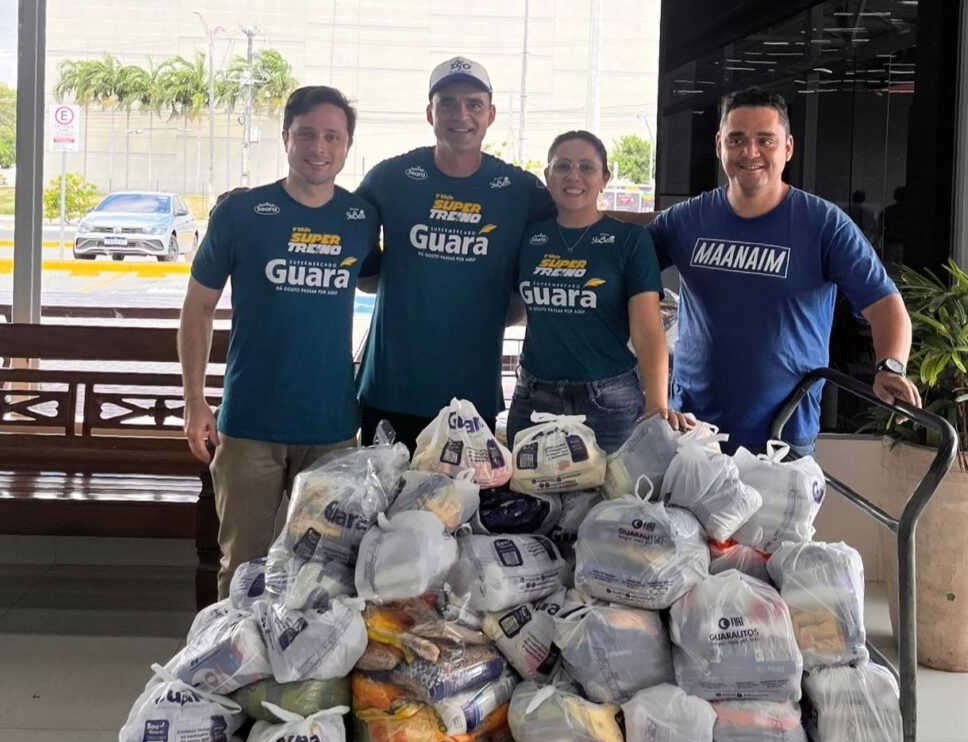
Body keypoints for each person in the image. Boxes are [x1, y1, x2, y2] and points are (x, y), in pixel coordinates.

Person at [178, 86, 379, 598]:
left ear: (347, 146)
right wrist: (195, 401)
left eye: (332, 136)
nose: (319, 147)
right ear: (286, 138)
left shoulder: (361, 220)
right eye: (307, 134)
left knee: (325, 573)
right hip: (249, 426)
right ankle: (226, 672)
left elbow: (383, 280)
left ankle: (304, 676)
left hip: (331, 428)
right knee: (242, 571)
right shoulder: (242, 215)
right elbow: (197, 309)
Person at [648, 87, 920, 456]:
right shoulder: (686, 220)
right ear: (719, 145)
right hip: (695, 429)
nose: (750, 152)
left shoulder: (823, 224)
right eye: (737, 139)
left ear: (788, 148)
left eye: (765, 140)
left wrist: (890, 367)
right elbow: (625, 267)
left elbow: (885, 304)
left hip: (782, 436)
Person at [355, 56, 554, 452]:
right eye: (447, 102)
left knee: (459, 512)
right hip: (390, 390)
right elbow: (346, 246)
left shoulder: (520, 191)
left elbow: (569, 239)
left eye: (474, 104)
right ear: (430, 113)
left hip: (469, 396)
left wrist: (517, 300)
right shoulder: (390, 178)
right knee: (380, 509)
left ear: (491, 114)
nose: (460, 114)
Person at [506, 130, 690, 454]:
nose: (573, 176)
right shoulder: (525, 238)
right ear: (547, 177)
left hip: (608, 403)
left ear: (604, 178)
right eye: (562, 166)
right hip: (533, 400)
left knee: (608, 503)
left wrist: (657, 403)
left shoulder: (629, 241)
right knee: (529, 501)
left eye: (586, 167)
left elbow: (647, 331)